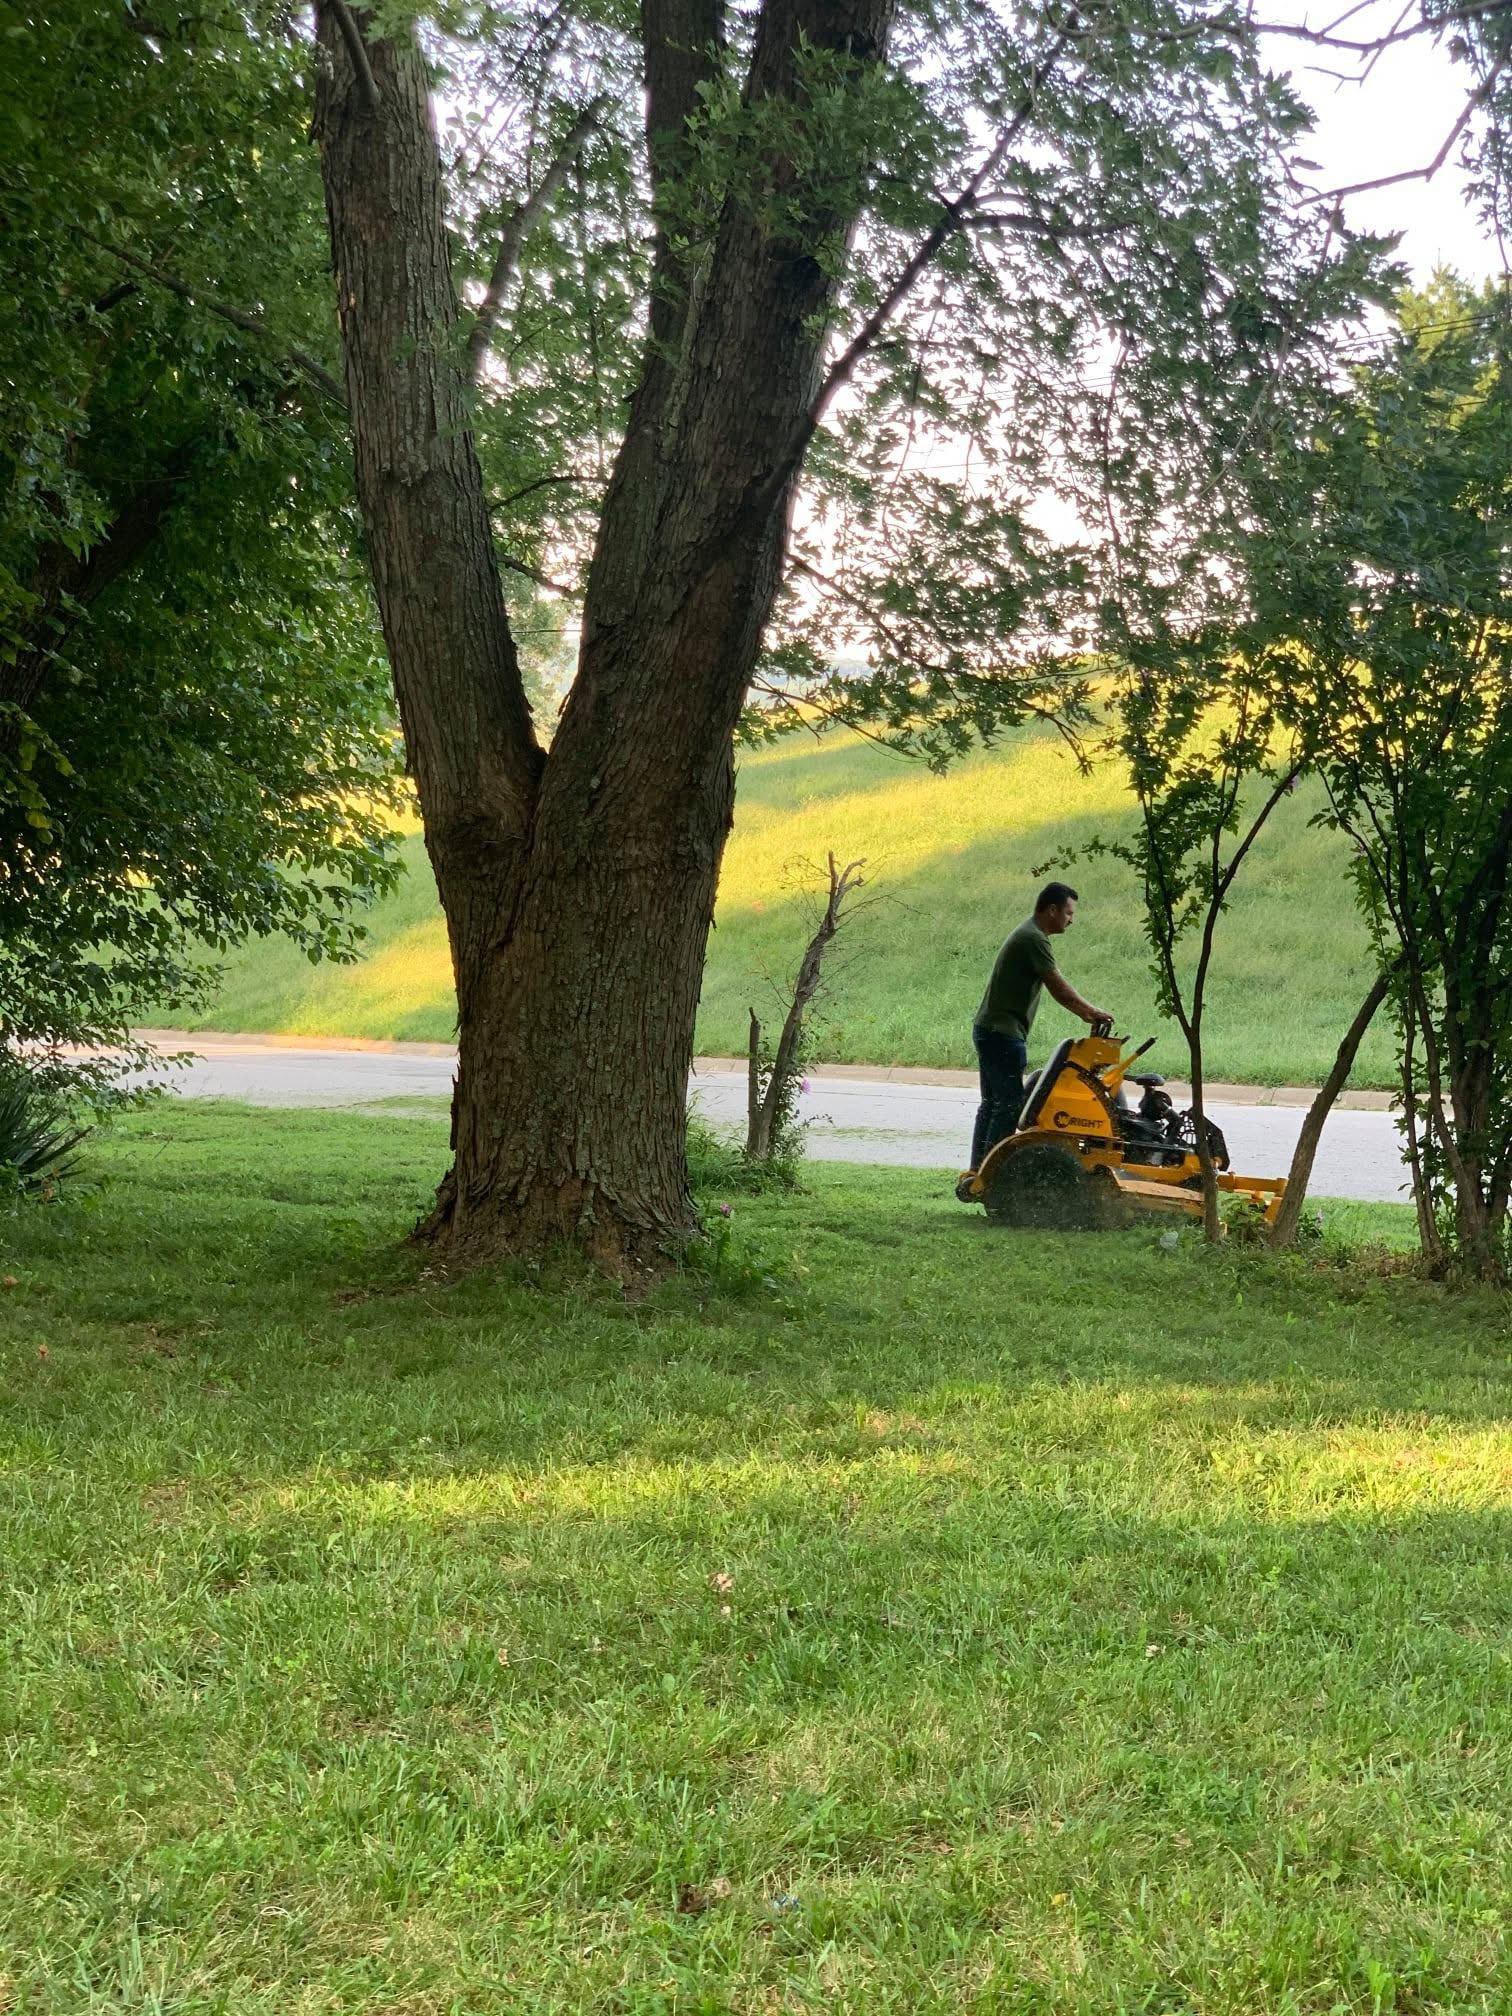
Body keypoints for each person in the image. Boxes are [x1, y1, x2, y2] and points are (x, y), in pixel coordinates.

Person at [960, 881, 1111, 1187]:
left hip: (990, 1029)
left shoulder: (1027, 933)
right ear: (1052, 909)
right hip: (1003, 1033)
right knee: (1009, 1104)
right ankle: (992, 1177)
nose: (1072, 919)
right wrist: (1091, 1013)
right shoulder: (1033, 939)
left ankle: (978, 1170)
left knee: (993, 1103)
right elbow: (1058, 987)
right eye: (1068, 913)